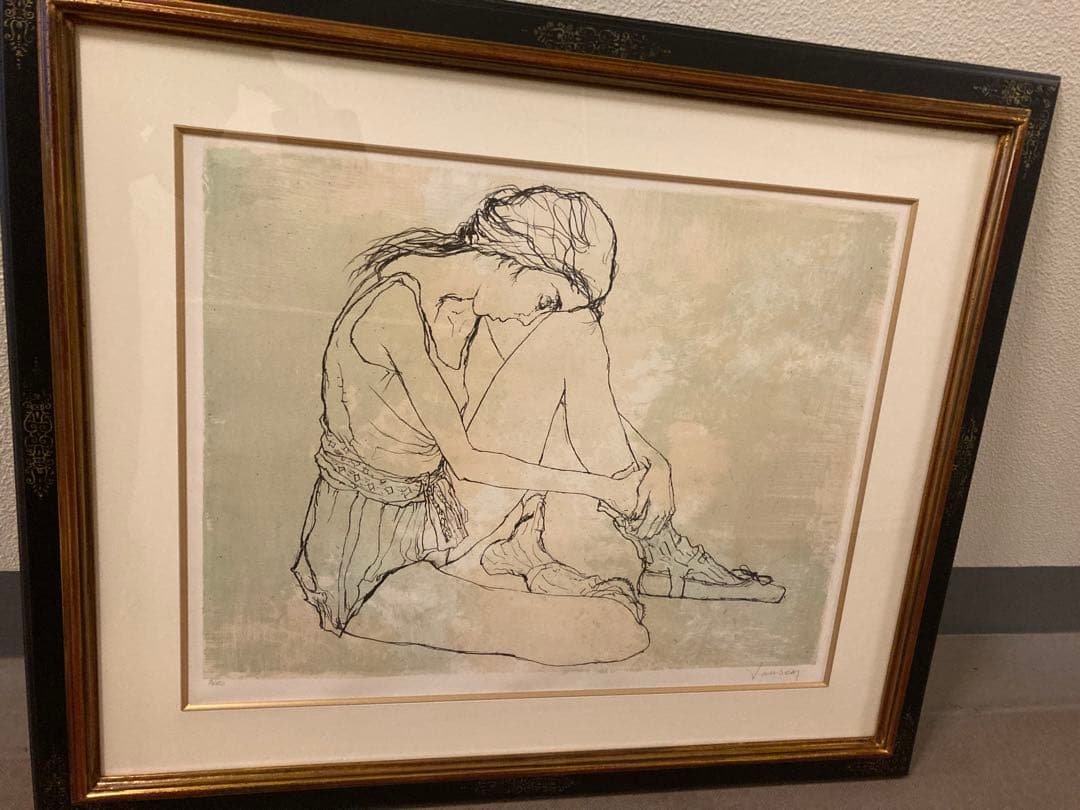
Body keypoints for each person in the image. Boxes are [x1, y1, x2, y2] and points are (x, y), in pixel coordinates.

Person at [291, 185, 784, 665]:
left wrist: (650, 460)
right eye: (546, 299)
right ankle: (518, 555)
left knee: (575, 326)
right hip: (368, 562)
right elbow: (468, 461)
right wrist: (601, 487)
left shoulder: (464, 299)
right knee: (618, 632)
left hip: (435, 517)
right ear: (513, 260)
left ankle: (644, 549)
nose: (534, 316)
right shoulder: (393, 310)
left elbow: (564, 396)